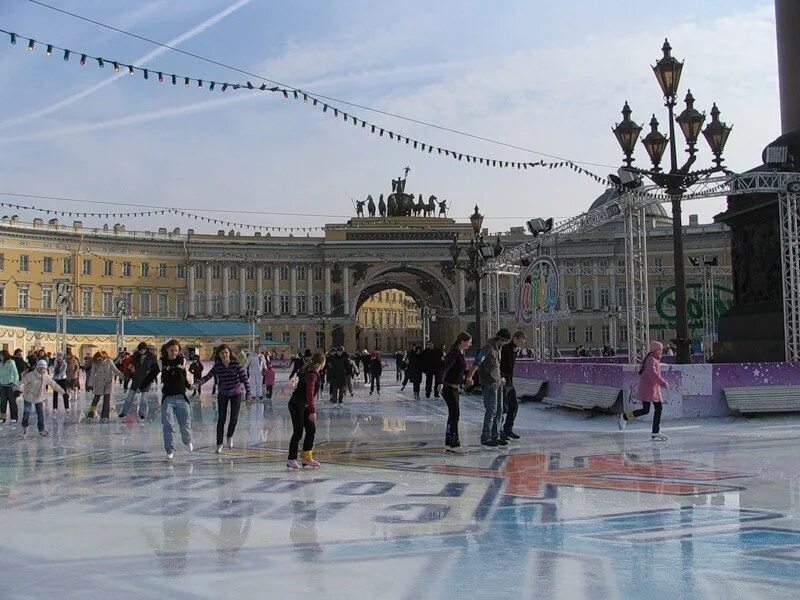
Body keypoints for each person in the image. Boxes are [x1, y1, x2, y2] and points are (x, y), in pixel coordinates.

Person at [141, 339, 193, 460]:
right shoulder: (161, 362)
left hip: (181, 397)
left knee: (185, 423)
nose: (173, 353)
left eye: (176, 350)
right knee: (168, 424)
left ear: (178, 351)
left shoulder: (182, 360)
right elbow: (151, 375)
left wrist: (188, 385)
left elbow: (183, 377)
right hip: (168, 398)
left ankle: (187, 441)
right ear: (167, 350)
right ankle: (170, 450)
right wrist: (142, 386)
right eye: (171, 350)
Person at [195, 344, 251, 454]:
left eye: (226, 352)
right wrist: (198, 383)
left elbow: (245, 380)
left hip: (236, 393)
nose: (224, 355)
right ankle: (219, 444)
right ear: (219, 355)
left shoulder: (236, 364)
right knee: (221, 419)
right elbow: (208, 376)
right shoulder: (218, 366)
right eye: (221, 353)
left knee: (234, 419)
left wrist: (248, 394)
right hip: (223, 393)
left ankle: (229, 435)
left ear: (229, 353)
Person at [467, 328, 512, 448]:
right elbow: (477, 362)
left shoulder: (499, 349)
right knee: (491, 410)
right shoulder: (487, 348)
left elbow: (497, 366)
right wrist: (470, 376)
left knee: (499, 410)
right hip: (489, 383)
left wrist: (501, 377)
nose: (506, 344)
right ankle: (486, 437)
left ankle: (495, 435)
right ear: (501, 339)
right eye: (506, 341)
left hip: (498, 383)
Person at [619, 341, 670, 441]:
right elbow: (653, 374)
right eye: (660, 349)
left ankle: (655, 431)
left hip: (653, 389)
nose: (661, 351)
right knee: (647, 410)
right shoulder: (651, 360)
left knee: (655, 409)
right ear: (655, 350)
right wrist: (663, 383)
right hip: (648, 389)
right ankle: (624, 417)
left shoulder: (654, 359)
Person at [287, 352, 325, 470]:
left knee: (311, 429)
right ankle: (291, 459)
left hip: (305, 405)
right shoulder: (311, 374)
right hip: (296, 404)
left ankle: (306, 457)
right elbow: (309, 392)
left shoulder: (311, 371)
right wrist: (313, 411)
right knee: (298, 432)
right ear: (321, 363)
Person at [436, 332, 472, 454]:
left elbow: (459, 370)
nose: (470, 344)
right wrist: (440, 382)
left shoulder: (460, 353)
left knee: (453, 415)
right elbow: (444, 368)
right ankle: (454, 443)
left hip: (454, 387)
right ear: (462, 341)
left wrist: (467, 378)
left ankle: (450, 443)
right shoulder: (454, 353)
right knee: (454, 414)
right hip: (448, 387)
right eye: (469, 341)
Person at [21, 359, 65, 437]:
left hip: (39, 398)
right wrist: (18, 390)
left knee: (40, 414)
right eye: (40, 368)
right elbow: (22, 383)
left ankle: (41, 429)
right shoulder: (31, 375)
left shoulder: (46, 377)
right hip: (28, 396)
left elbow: (54, 385)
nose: (42, 370)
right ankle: (24, 428)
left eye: (44, 368)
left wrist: (63, 392)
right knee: (26, 413)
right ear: (37, 367)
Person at [119, 342, 160, 422]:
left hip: (146, 379)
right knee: (129, 397)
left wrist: (150, 374)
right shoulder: (136, 355)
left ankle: (142, 414)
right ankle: (124, 412)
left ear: (145, 349)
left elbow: (155, 368)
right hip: (136, 378)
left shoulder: (152, 357)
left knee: (144, 399)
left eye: (142, 350)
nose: (141, 352)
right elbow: (131, 364)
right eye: (140, 350)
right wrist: (127, 372)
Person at [500, 331, 526, 441]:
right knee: (502, 408)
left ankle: (508, 429)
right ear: (515, 339)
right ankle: (499, 431)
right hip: (504, 381)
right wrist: (501, 376)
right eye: (520, 341)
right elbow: (502, 364)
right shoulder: (506, 348)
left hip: (509, 382)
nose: (521, 344)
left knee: (514, 405)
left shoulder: (515, 349)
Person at [85, 351, 124, 422]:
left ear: (103, 357)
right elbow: (92, 374)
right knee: (95, 399)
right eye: (97, 360)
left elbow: (115, 370)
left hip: (107, 383)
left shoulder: (109, 361)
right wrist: (90, 385)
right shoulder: (95, 363)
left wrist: (123, 377)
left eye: (100, 359)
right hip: (99, 382)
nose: (98, 361)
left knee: (106, 400)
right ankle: (91, 414)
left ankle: (105, 416)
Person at [0, 349, 20, 424]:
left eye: (1, 355)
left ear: (5, 355)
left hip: (10, 385)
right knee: (2, 402)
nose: (0, 357)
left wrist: (15, 382)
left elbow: (15, 374)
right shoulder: (1, 363)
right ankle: (2, 417)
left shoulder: (11, 362)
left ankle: (14, 417)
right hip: (2, 385)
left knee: (12, 402)